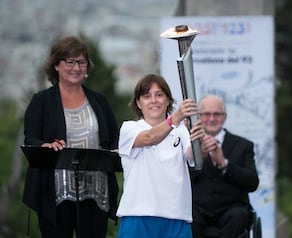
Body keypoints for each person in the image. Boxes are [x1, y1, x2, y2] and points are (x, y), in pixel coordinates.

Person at [22, 36, 120, 238]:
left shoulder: (99, 101)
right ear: (56, 65)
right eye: (70, 61)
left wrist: (116, 151)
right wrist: (46, 146)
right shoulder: (41, 101)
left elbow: (114, 139)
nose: (76, 67)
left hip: (96, 191)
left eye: (81, 62)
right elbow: (30, 138)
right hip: (55, 192)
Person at [116, 74, 206, 238]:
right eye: (147, 96)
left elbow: (194, 157)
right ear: (138, 103)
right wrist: (175, 118)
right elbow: (149, 138)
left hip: (176, 217)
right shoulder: (129, 129)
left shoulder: (181, 131)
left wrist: (198, 139)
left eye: (159, 95)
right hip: (138, 217)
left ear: (168, 100)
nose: (154, 100)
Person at [190, 95, 260, 238]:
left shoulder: (243, 145)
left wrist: (224, 164)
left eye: (217, 114)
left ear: (225, 117)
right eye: (206, 114)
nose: (211, 118)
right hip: (198, 211)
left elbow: (252, 183)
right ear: (198, 117)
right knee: (189, 217)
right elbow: (182, 179)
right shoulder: (189, 145)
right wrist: (200, 158)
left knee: (238, 216)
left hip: (232, 209)